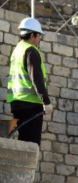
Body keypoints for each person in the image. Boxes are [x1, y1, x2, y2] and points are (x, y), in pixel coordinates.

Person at [7, 17, 53, 146]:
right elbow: (36, 78)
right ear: (32, 34)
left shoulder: (17, 50)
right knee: (31, 145)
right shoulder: (30, 50)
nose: (39, 39)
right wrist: (46, 102)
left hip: (17, 103)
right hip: (30, 104)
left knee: (24, 142)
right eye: (39, 35)